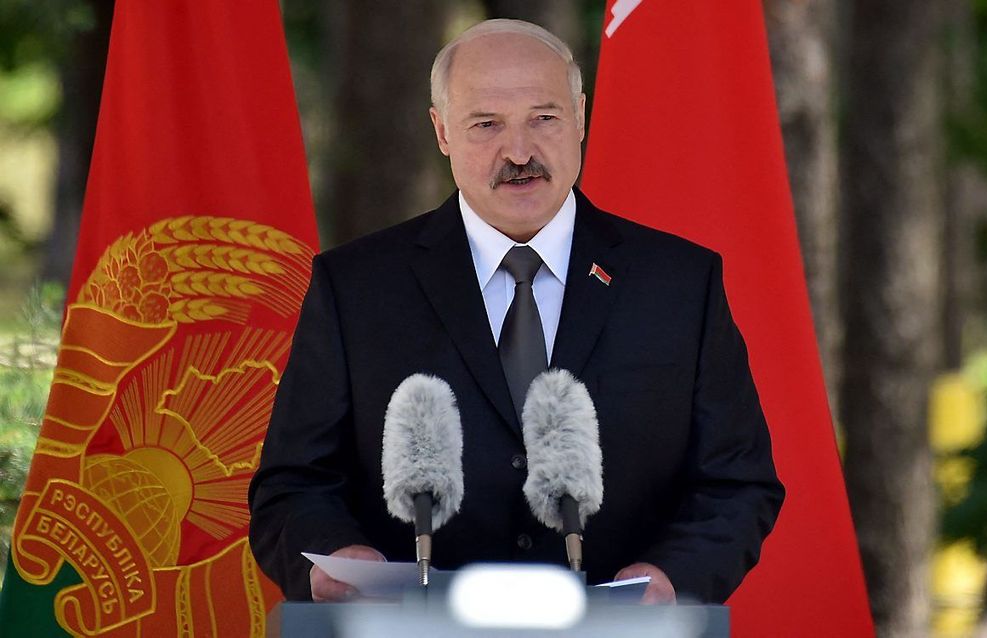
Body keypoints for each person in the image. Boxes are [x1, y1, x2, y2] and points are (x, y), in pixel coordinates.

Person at [248, 19, 784, 605]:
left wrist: (671, 579)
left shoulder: (680, 283)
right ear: (442, 131)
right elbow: (293, 485)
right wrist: (335, 556)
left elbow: (736, 483)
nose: (520, 151)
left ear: (580, 117)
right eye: (486, 125)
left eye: (544, 118)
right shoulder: (356, 288)